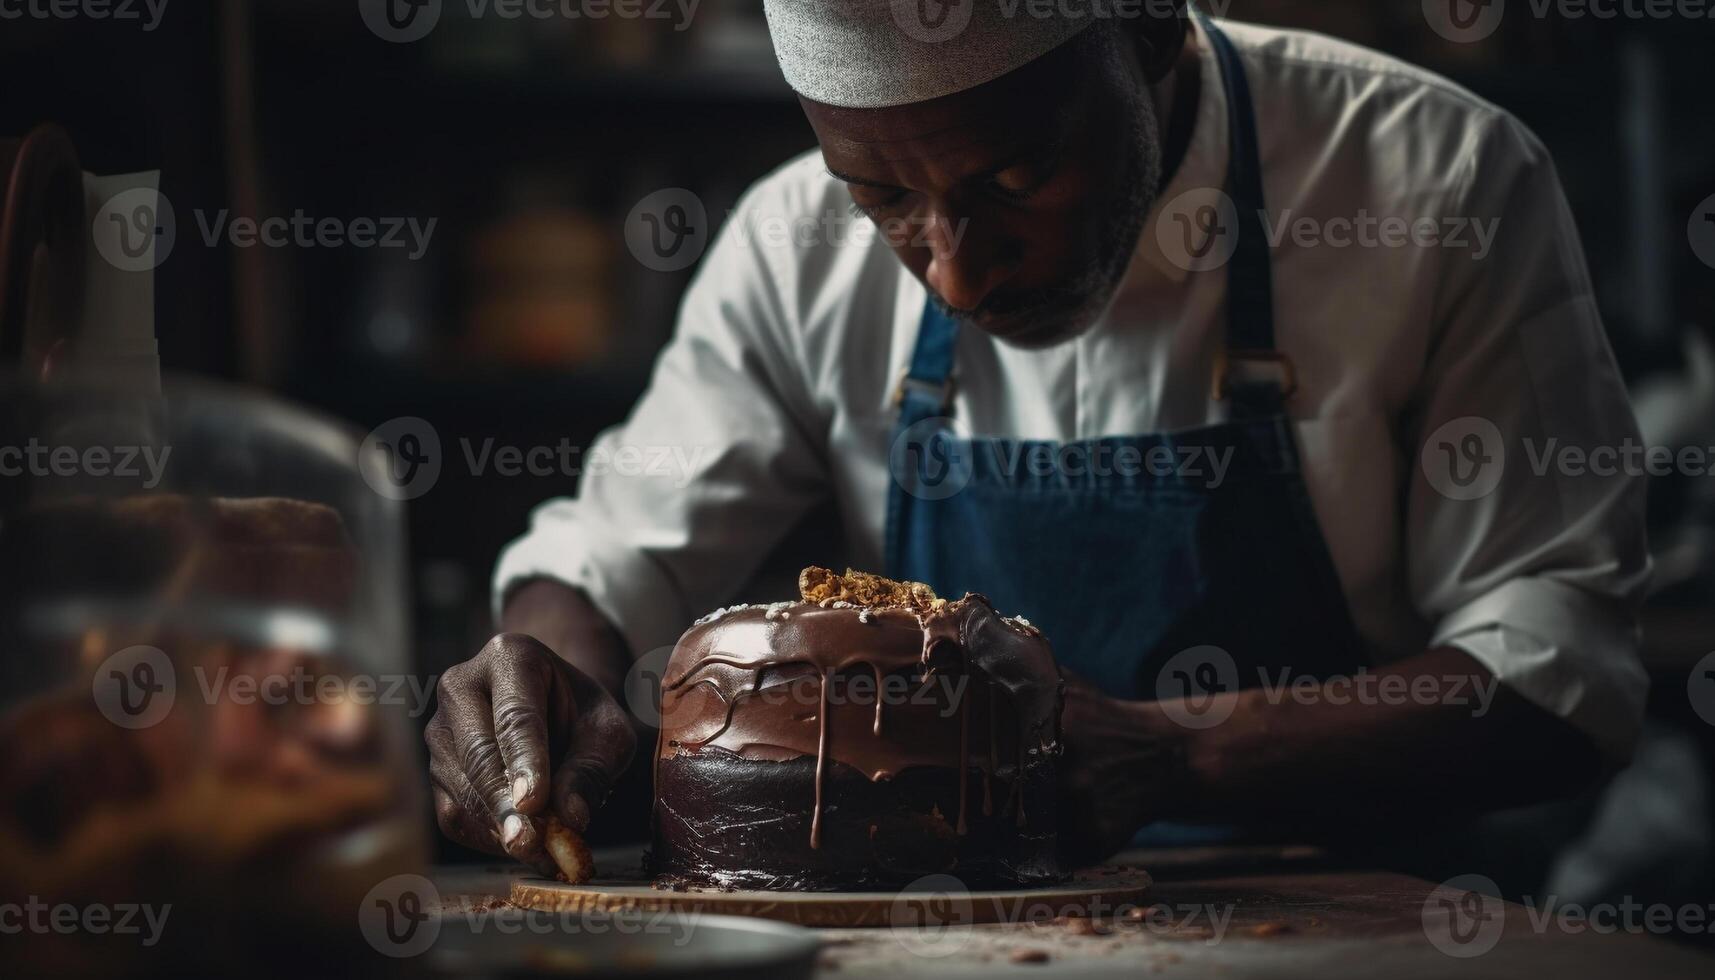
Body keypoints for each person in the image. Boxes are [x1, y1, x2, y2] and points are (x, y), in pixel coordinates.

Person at [426, 2, 1649, 875]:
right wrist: (544, 678)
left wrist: (1181, 756)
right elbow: (606, 555)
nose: (953, 274)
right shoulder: (785, 245)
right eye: (887, 202)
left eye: (1014, 179)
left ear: (1150, 37)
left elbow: (1558, 671)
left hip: (1362, 914)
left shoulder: (1434, 181)